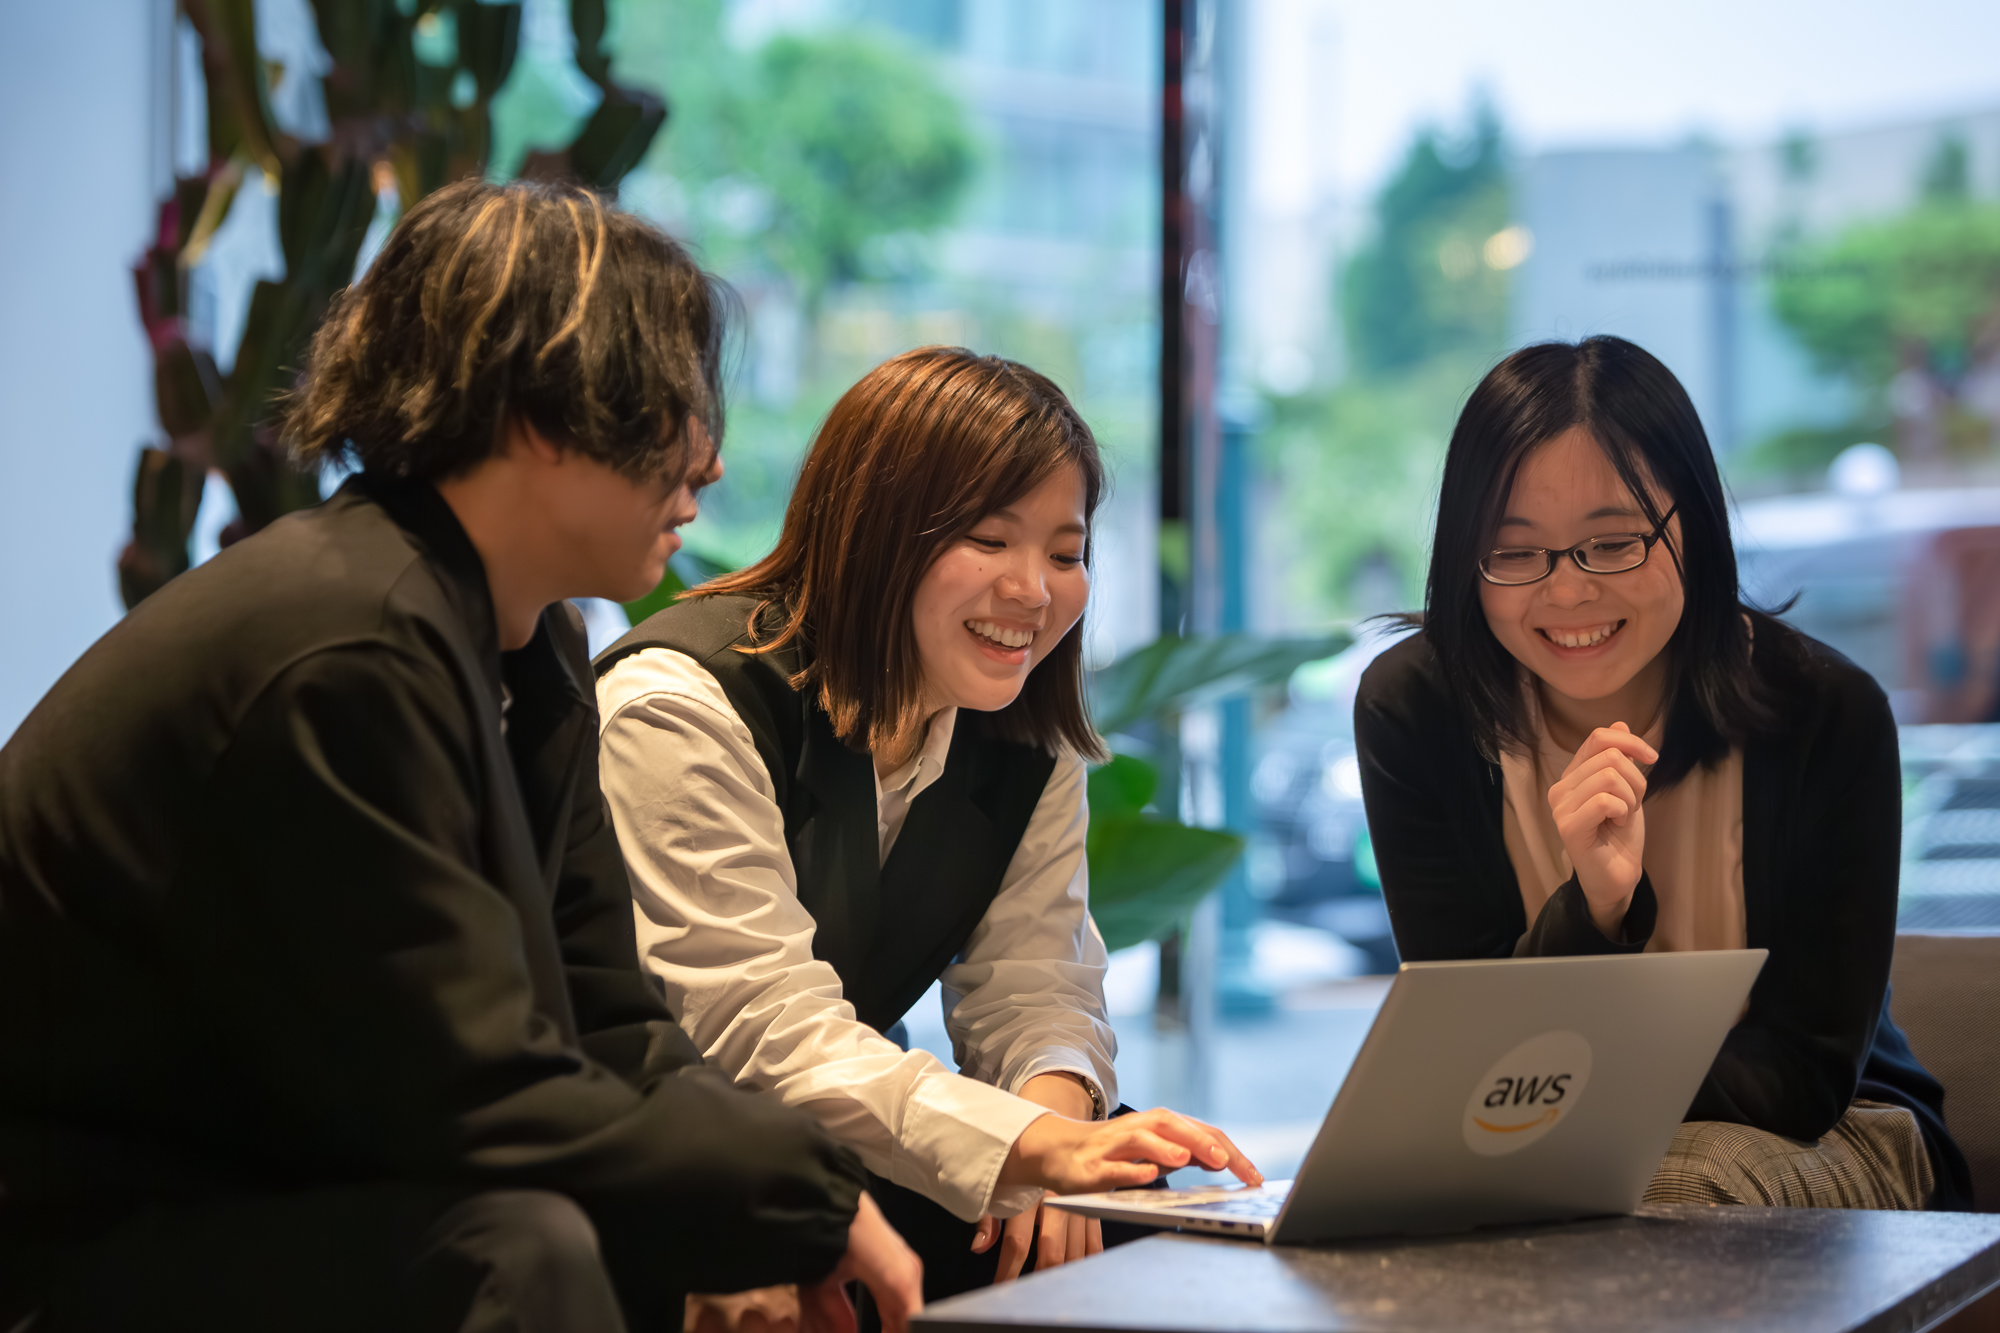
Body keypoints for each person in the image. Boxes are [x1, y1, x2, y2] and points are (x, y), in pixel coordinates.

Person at [0, 178, 924, 1333]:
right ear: (543, 412)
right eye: (677, 404)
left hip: (268, 1190)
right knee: (513, 1249)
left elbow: (607, 1025)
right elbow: (471, 1096)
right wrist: (802, 1199)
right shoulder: (346, 645)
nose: (711, 460)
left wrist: (778, 1207)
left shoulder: (525, 642)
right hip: (79, 1250)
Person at [594, 346, 1260, 1305]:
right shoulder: (687, 701)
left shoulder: (1029, 734)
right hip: (659, 1154)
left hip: (837, 1136)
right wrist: (1031, 1149)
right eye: (990, 540)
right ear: (873, 532)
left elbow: (1034, 985)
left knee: (1124, 1206)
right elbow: (760, 1029)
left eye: (1066, 554)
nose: (1034, 591)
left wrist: (1053, 1125)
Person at [1354, 335, 1972, 1210]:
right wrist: (1593, 910)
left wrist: (1571, 1093)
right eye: (1515, 551)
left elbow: (1802, 1078)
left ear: (1696, 526)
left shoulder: (1825, 713)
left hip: (1832, 1131)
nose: (1567, 593)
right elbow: (1476, 1051)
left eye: (1613, 543)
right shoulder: (1418, 710)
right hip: (1540, 1143)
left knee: (1665, 1184)